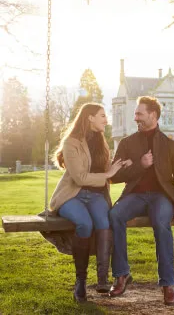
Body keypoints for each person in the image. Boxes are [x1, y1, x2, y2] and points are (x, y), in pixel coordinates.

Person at [108, 96, 174, 306]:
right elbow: (114, 176)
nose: (135, 118)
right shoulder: (127, 143)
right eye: (135, 114)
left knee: (161, 223)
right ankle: (121, 275)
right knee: (115, 215)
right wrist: (140, 165)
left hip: (161, 197)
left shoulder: (170, 145)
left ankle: (167, 284)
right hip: (134, 195)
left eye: (139, 114)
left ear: (153, 115)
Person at [49, 103, 127, 302]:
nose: (106, 120)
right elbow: (80, 178)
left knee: (103, 223)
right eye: (102, 115)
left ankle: (102, 279)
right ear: (90, 117)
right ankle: (81, 282)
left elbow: (103, 168)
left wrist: (120, 166)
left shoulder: (102, 141)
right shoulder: (71, 142)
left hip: (96, 195)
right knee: (85, 223)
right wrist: (108, 174)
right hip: (73, 195)